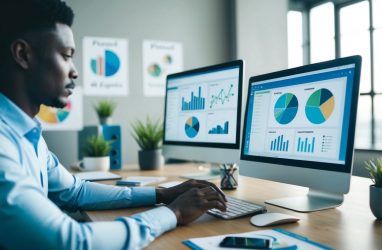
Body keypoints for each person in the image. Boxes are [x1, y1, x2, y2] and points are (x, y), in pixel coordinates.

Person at [0, 0, 227, 249]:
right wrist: (175, 213)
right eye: (66, 56)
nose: (74, 71)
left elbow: (76, 192)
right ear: (22, 54)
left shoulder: (28, 135)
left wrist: (162, 194)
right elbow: (70, 241)